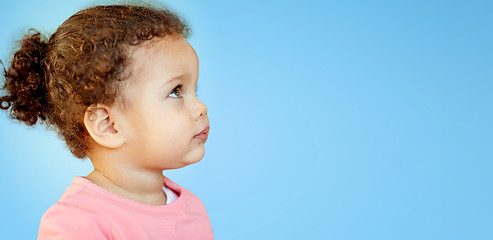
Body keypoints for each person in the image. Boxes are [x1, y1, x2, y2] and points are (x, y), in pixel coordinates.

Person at [0, 3, 214, 239]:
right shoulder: (76, 225)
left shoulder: (192, 209)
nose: (201, 108)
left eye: (195, 90)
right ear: (108, 125)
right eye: (175, 91)